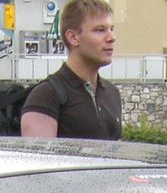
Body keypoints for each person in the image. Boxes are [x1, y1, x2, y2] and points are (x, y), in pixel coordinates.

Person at [20, 0, 122, 140]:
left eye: (111, 29)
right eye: (99, 30)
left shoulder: (112, 93)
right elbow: (39, 159)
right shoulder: (46, 96)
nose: (111, 37)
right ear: (73, 37)